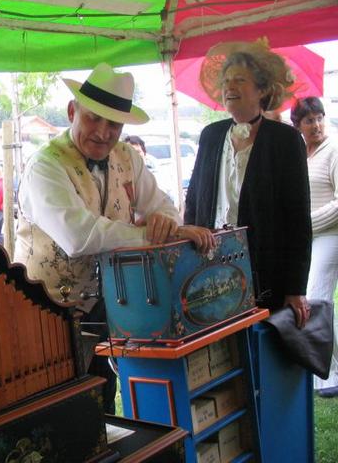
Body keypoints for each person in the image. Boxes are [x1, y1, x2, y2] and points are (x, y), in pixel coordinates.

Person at [14, 62, 215, 413]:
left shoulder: (127, 157)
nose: (104, 132)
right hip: (45, 310)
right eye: (94, 118)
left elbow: (164, 206)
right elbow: (79, 236)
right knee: (58, 409)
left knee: (103, 400)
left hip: (108, 305)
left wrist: (165, 223)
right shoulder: (45, 166)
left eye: (114, 124)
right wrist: (150, 236)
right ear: (72, 111)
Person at [184, 40, 312, 328]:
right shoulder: (210, 135)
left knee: (258, 352)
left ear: (263, 89)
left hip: (264, 268)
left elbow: (298, 218)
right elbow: (194, 202)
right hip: (210, 264)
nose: (230, 87)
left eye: (240, 80)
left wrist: (295, 288)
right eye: (227, 81)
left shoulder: (286, 140)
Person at [291, 96, 338, 396]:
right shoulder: (298, 155)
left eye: (319, 117)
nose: (316, 124)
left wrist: (307, 225)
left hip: (332, 234)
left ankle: (327, 376)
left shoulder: (334, 150)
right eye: (309, 120)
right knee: (316, 302)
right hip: (310, 239)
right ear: (298, 125)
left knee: (316, 299)